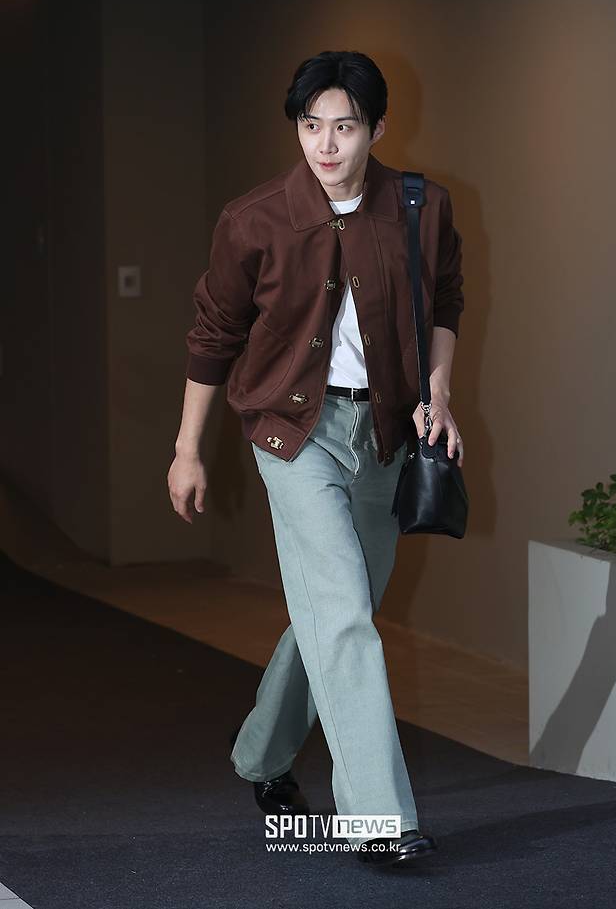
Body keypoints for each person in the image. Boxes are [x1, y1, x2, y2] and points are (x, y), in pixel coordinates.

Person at [167, 50, 465, 867]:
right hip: (291, 435)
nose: (326, 146)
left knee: (337, 611)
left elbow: (445, 300)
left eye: (344, 127)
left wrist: (438, 394)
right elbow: (212, 336)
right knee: (341, 617)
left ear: (377, 128)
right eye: (310, 126)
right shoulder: (253, 219)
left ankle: (261, 752)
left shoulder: (419, 205)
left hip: (387, 436)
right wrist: (187, 450)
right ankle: (378, 819)